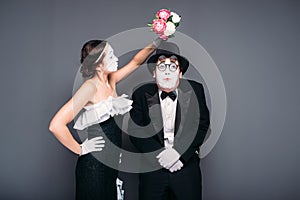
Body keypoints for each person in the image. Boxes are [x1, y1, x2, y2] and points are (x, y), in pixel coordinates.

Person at [49, 38, 160, 199]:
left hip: (111, 162)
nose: (116, 59)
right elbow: (56, 125)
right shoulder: (89, 88)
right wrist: (80, 149)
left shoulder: (111, 80)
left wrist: (157, 41)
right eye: (111, 56)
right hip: (94, 166)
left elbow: (136, 62)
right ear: (98, 64)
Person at [128, 42, 210, 200]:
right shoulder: (140, 93)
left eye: (173, 67)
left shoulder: (195, 90)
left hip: (185, 168)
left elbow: (202, 126)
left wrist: (179, 154)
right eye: (162, 67)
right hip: (151, 170)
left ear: (180, 73)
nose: (167, 71)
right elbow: (135, 131)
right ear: (154, 72)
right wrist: (161, 157)